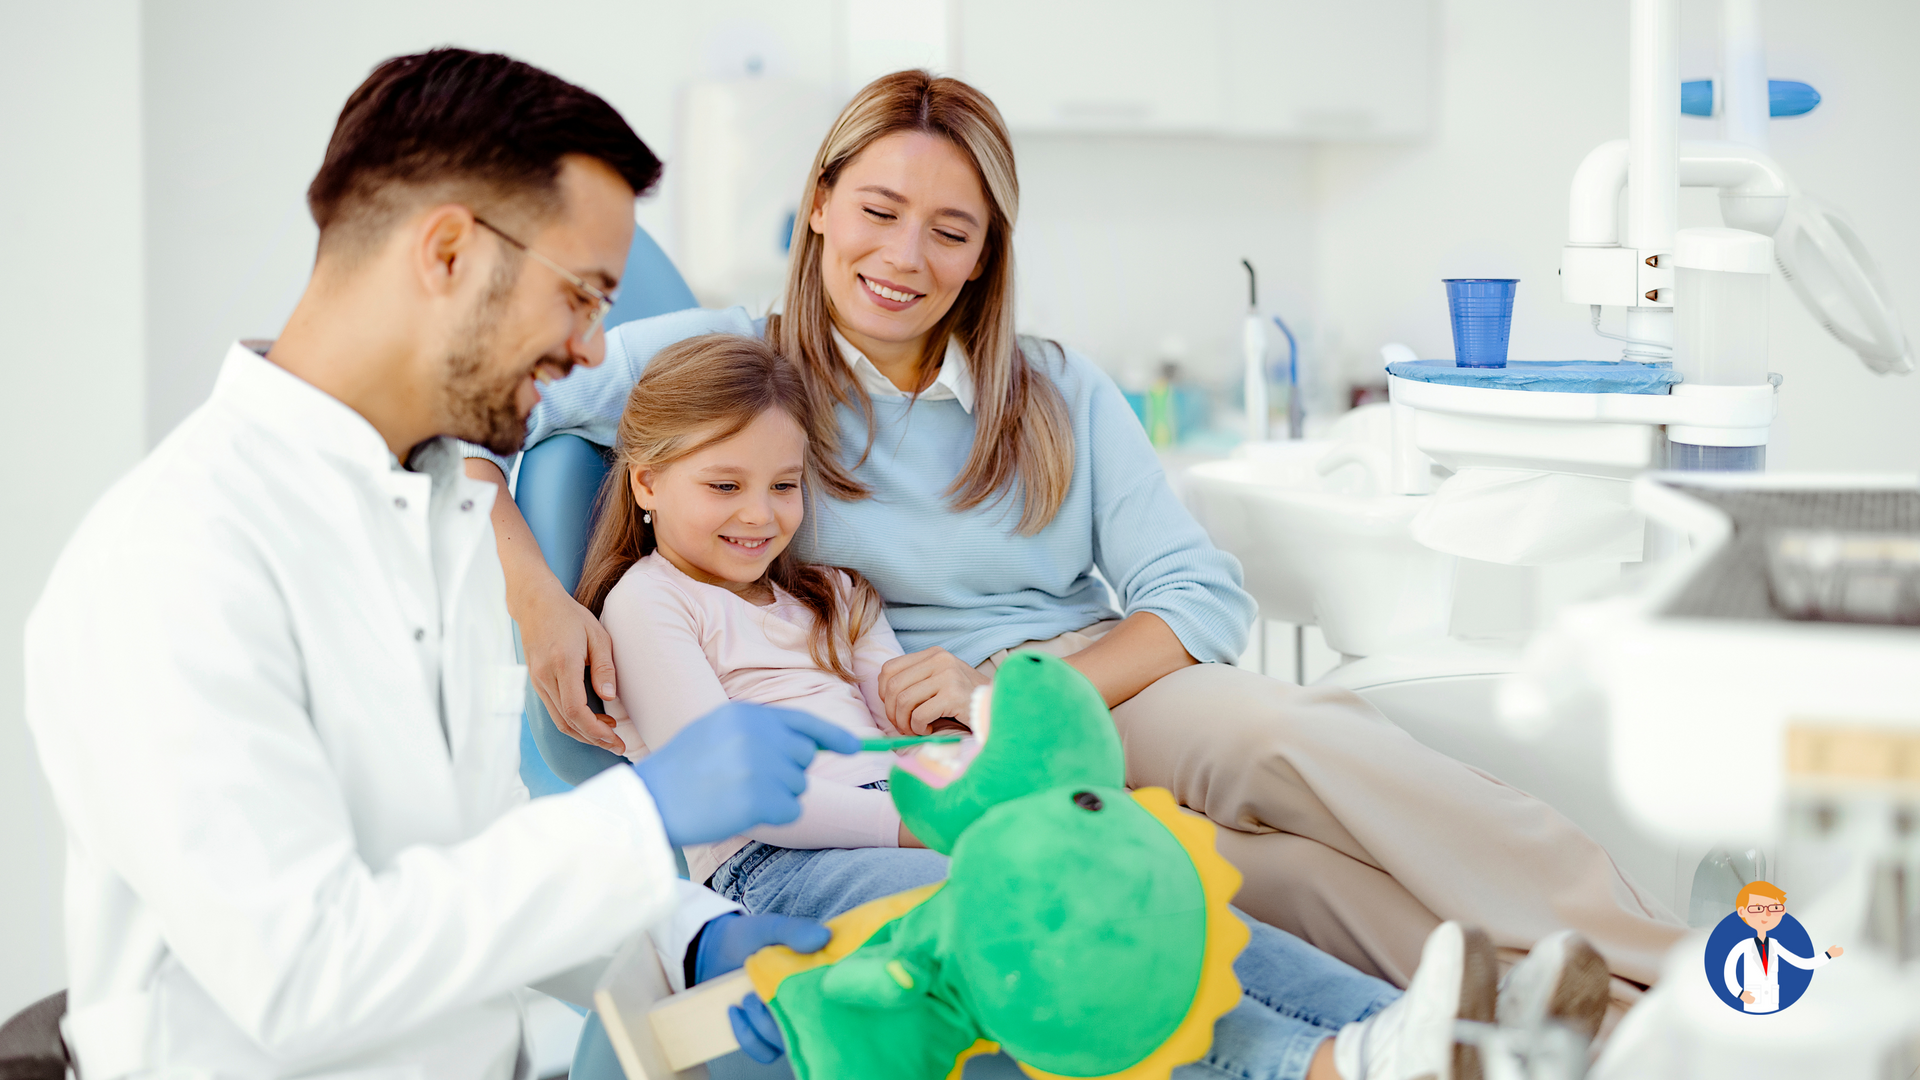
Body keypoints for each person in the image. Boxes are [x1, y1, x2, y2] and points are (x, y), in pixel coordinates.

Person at [466, 67, 1686, 1014]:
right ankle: (1543, 1028)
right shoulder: (728, 370)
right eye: (881, 209)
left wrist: (1023, 691)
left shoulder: (1050, 389)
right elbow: (473, 413)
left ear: (987, 247)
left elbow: (1193, 594)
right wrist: (534, 592)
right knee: (1241, 876)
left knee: (1282, 735)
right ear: (822, 204)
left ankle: (1666, 970)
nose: (906, 257)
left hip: (1081, 683)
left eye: (952, 229)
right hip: (912, 736)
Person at [22, 49, 858, 1079]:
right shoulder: (175, 558)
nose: (594, 352)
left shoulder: (442, 516)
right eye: (583, 297)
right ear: (451, 252)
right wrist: (642, 817)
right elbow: (302, 975)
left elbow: (476, 854)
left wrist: (693, 935)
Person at [549, 331, 1621, 1080]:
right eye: (722, 486)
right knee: (1052, 920)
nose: (760, 515)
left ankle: (1421, 1041)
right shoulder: (651, 604)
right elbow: (734, 790)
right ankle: (1327, 1062)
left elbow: (913, 723)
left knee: (1150, 880)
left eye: (782, 486)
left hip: (927, 814)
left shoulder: (832, 594)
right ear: (645, 484)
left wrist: (964, 738)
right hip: (773, 857)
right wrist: (913, 806)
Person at [1721, 881, 1842, 1014]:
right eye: (1757, 909)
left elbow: (1801, 962)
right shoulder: (1742, 946)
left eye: (1774, 908)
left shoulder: (1775, 945)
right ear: (1742, 912)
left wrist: (1828, 955)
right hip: (1751, 1002)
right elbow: (1728, 972)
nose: (1766, 914)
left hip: (1772, 1003)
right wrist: (1740, 993)